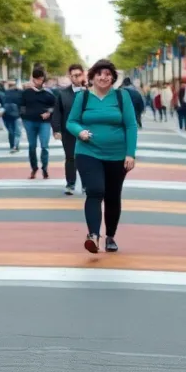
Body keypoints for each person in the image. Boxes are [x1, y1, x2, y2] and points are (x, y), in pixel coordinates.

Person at [66, 58, 138, 253]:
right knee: (96, 191)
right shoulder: (83, 97)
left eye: (108, 74)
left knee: (113, 196)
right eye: (99, 73)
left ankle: (110, 236)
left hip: (117, 155)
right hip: (88, 152)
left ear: (113, 78)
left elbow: (131, 125)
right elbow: (71, 122)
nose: (103, 77)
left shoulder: (122, 97)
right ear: (92, 76)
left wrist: (130, 154)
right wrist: (79, 131)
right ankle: (93, 236)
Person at [49, 64, 85, 193]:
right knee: (70, 157)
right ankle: (70, 184)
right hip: (68, 131)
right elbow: (57, 112)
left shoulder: (90, 92)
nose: (77, 78)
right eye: (74, 75)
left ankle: (86, 184)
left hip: (87, 130)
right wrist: (56, 129)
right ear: (70, 77)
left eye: (79, 75)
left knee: (87, 158)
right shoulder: (63, 94)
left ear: (83, 75)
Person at [18, 65, 58, 180]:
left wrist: (49, 113)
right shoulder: (26, 93)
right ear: (33, 79)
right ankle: (34, 168)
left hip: (44, 123)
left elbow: (55, 106)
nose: (38, 81)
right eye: (36, 79)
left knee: (44, 146)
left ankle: (44, 168)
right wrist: (24, 118)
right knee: (32, 146)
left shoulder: (48, 94)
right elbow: (21, 106)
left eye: (41, 79)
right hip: (29, 122)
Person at [0, 80, 22, 153]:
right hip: (17, 115)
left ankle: (13, 146)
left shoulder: (3, 93)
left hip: (6, 115)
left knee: (11, 131)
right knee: (17, 132)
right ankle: (15, 146)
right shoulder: (20, 92)